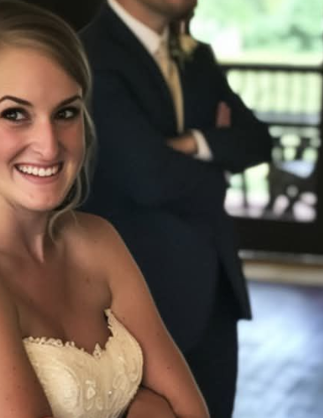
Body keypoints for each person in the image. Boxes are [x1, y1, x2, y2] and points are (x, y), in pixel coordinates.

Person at [0, 2, 208, 418]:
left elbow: (191, 411)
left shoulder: (98, 240)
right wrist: (147, 407)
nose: (49, 145)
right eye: (15, 114)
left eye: (65, 113)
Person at [79, 0, 273, 416]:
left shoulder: (194, 55)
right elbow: (150, 178)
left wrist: (190, 143)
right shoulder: (89, 53)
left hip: (214, 282)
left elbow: (257, 140)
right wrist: (215, 166)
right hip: (138, 287)